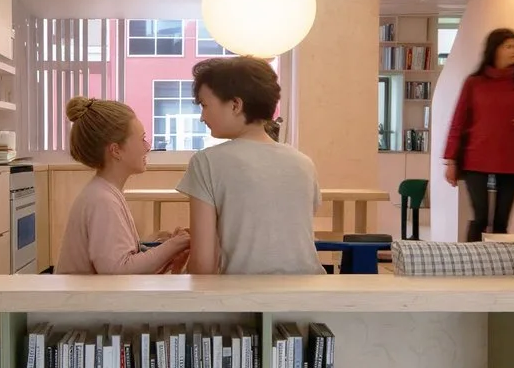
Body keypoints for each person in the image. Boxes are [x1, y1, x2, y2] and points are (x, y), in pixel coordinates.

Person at [178, 56, 322, 275]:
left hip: (245, 298)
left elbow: (203, 264)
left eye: (205, 105)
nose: (202, 117)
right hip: (308, 296)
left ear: (235, 105)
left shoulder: (206, 162)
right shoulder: (303, 163)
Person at [56, 97, 191, 274]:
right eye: (142, 139)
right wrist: (174, 245)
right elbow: (119, 271)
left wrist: (162, 248)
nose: (147, 147)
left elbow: (118, 261)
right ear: (116, 150)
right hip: (85, 301)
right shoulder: (102, 200)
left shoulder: (105, 192)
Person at [444, 28, 514, 241]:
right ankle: (470, 264)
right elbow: (458, 122)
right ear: (495, 49)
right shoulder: (474, 83)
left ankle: (497, 270)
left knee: (501, 222)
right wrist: (451, 161)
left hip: (510, 162)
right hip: (476, 160)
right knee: (480, 217)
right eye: (508, 46)